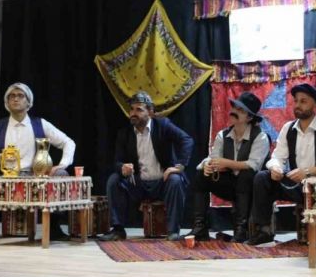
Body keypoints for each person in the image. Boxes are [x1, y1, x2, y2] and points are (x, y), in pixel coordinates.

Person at [0, 82, 76, 242]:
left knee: (61, 174)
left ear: (28, 102)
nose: (15, 99)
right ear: (7, 102)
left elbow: (68, 142)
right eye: (11, 96)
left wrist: (63, 163)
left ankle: (54, 227)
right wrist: (1, 157)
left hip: (35, 178)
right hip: (6, 178)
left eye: (20, 96)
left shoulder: (40, 124)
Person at [247, 83, 316, 246]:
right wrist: (276, 168)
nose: (297, 105)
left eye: (303, 101)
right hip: (295, 184)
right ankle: (264, 231)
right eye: (296, 101)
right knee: (262, 178)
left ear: (315, 106)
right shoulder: (287, 128)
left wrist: (308, 172)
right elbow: (277, 157)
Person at [100, 91, 193, 241]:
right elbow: (117, 161)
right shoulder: (125, 133)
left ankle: (173, 231)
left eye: (139, 109)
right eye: (132, 109)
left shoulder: (163, 125)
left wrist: (179, 166)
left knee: (176, 180)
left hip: (162, 182)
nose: (133, 113)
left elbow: (186, 140)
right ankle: (118, 229)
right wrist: (122, 167)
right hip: (138, 184)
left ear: (150, 112)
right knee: (114, 180)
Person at [186, 92, 270, 242]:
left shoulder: (260, 136)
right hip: (230, 184)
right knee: (201, 175)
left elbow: (253, 165)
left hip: (251, 188)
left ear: (249, 118)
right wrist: (208, 165)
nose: (234, 112)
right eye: (235, 108)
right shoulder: (222, 135)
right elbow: (213, 158)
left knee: (245, 174)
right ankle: (200, 227)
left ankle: (241, 230)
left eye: (241, 110)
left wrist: (226, 163)